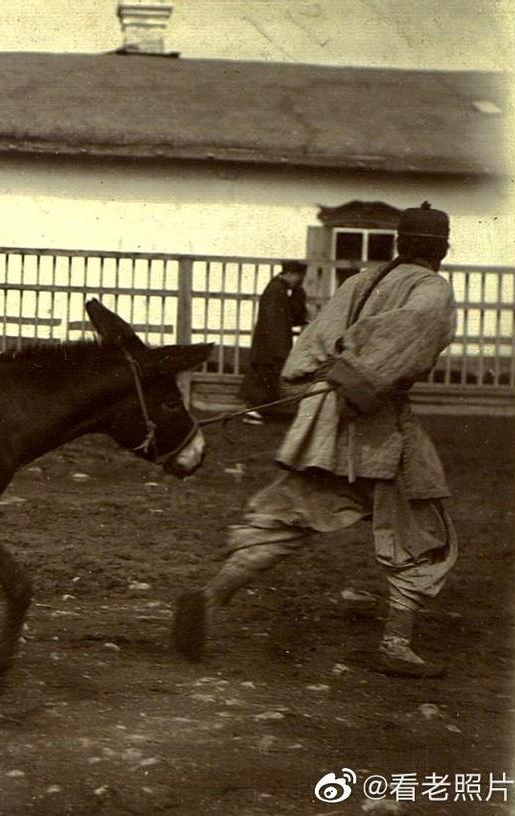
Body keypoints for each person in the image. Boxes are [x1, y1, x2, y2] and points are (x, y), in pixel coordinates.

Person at [172, 202, 458, 679]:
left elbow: (303, 358)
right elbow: (401, 347)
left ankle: (210, 597)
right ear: (442, 250)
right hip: (379, 430)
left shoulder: (360, 282)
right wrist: (360, 380)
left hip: (322, 428)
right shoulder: (433, 289)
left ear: (399, 243)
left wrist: (328, 383)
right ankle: (395, 644)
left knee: (288, 520)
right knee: (423, 530)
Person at [240, 260, 309, 424]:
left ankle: (256, 411)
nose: (299, 282)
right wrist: (280, 350)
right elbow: (274, 322)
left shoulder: (278, 289)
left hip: (269, 344)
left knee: (265, 377)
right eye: (299, 278)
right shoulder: (276, 291)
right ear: (291, 274)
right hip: (270, 345)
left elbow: (292, 317)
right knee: (264, 377)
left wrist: (298, 293)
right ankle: (253, 412)